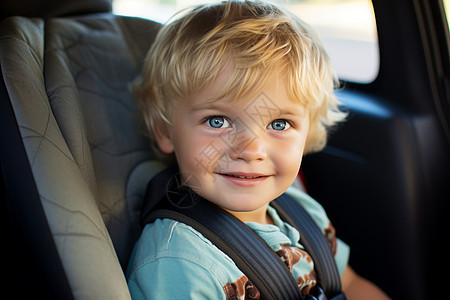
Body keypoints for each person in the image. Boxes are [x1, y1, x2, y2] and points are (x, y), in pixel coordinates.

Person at [127, 1, 390, 299]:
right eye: (217, 121)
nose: (250, 150)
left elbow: (350, 285)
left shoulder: (303, 212)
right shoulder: (180, 262)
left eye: (279, 124)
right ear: (165, 131)